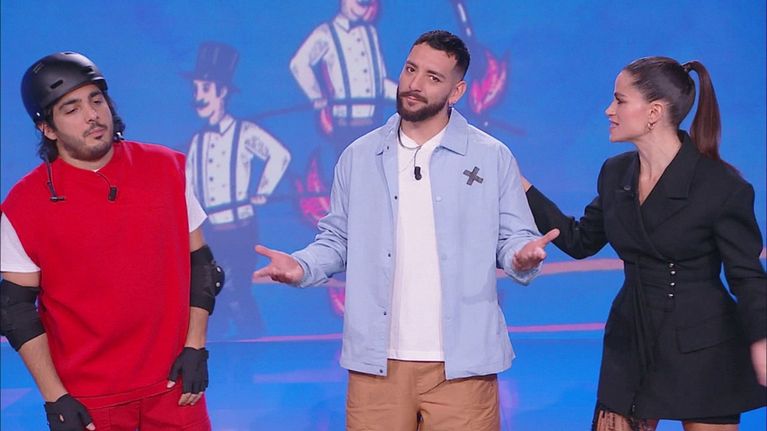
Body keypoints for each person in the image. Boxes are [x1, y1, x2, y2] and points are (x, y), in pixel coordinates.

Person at [254, 30, 559, 430]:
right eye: (411, 69)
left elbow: (513, 238)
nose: (414, 84)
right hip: (376, 366)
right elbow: (337, 240)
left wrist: (522, 256)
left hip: (463, 367)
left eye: (433, 77)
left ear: (456, 91)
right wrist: (301, 266)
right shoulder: (359, 156)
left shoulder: (491, 156)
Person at [521, 57, 767, 430]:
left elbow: (747, 276)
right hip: (629, 340)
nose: (609, 110)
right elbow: (580, 240)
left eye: (619, 100)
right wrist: (520, 186)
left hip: (702, 347)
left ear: (654, 112)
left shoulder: (721, 187)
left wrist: (762, 338)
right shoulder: (615, 172)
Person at [0, 51, 224, 430]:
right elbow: (15, 311)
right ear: (47, 128)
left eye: (96, 100)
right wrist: (55, 397)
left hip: (175, 387)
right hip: (88, 403)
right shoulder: (24, 205)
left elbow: (202, 266)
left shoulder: (167, 169)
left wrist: (195, 346)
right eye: (72, 109)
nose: (92, 115)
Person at [186, 41, 291, 338]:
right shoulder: (198, 141)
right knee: (212, 298)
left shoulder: (244, 132)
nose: (199, 97)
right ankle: (218, 353)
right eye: (196, 89)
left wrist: (262, 191)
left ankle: (254, 344)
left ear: (222, 93)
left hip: (239, 230)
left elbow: (279, 155)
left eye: (205, 89)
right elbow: (188, 184)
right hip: (209, 234)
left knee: (233, 291)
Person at [290, 0, 396, 150]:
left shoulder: (370, 33)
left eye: (364, 4)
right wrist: (317, 96)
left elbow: (380, 83)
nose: (360, 8)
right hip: (344, 127)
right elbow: (299, 64)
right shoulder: (326, 34)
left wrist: (404, 96)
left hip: (374, 126)